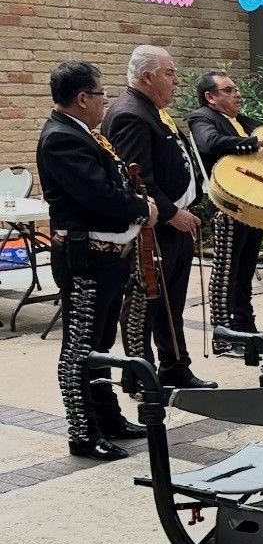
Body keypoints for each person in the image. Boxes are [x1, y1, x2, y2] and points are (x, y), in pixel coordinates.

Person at [36, 61, 157, 460]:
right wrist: (142, 208)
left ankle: (108, 417)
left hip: (108, 257)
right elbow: (98, 195)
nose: (106, 100)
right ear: (82, 98)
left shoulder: (81, 132)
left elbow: (113, 181)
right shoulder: (61, 139)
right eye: (101, 93)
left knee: (102, 343)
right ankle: (83, 432)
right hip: (85, 259)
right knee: (80, 347)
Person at [103, 45, 212, 392]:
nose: (177, 81)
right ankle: (139, 374)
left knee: (171, 304)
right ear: (147, 77)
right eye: (170, 73)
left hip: (176, 223)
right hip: (153, 227)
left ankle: (175, 368)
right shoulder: (130, 114)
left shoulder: (151, 109)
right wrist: (171, 214)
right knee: (145, 304)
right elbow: (138, 180)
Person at [187, 71, 263, 350]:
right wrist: (255, 143)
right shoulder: (202, 117)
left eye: (236, 89)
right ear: (211, 97)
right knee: (226, 271)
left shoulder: (240, 121)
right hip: (227, 206)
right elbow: (210, 143)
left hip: (251, 203)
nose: (237, 94)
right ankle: (224, 335)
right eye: (229, 90)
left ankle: (246, 327)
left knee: (245, 270)